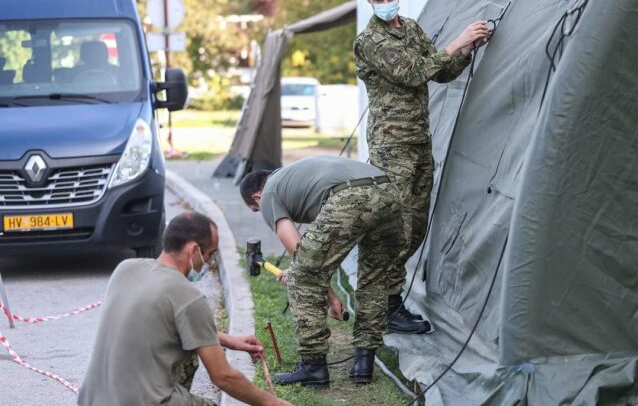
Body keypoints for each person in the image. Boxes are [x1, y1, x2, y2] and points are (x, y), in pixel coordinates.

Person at [354, 0, 492, 333]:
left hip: (418, 142)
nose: (386, 5)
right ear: (370, 2)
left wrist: (467, 49)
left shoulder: (410, 28)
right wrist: (457, 41)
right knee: (393, 228)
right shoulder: (371, 41)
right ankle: (381, 304)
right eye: (378, 2)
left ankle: (389, 301)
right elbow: (415, 72)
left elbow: (441, 72)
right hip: (391, 147)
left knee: (414, 228)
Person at [79, 211, 291, 406]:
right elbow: (223, 376)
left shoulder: (125, 270)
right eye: (209, 254)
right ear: (193, 250)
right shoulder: (188, 296)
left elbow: (163, 323)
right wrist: (272, 403)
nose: (209, 262)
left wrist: (228, 340)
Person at [239, 156, 404, 387]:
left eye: (256, 209)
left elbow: (297, 249)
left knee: (301, 278)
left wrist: (328, 294)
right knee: (375, 278)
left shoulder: (268, 194)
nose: (262, 211)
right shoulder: (295, 176)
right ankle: (364, 363)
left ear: (256, 197)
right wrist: (320, 281)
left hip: (351, 196)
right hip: (390, 191)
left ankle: (313, 367)